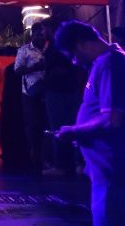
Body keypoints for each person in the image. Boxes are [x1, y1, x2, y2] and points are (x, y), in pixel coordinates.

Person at [53, 21, 125, 226]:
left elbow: (112, 119)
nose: (74, 62)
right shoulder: (110, 62)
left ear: (81, 43)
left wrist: (75, 131)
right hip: (113, 171)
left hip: (118, 171)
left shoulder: (111, 64)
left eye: (72, 54)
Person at [43, 22, 85, 176]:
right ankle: (78, 163)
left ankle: (61, 165)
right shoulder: (71, 47)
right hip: (72, 89)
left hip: (57, 90)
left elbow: (51, 67)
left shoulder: (55, 47)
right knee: (76, 124)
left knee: (58, 127)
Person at [14, 22, 48, 172]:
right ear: (32, 35)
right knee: (33, 125)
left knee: (46, 125)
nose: (42, 38)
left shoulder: (49, 49)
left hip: (48, 92)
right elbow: (17, 70)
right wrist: (35, 67)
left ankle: (46, 157)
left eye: (43, 35)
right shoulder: (24, 50)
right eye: (39, 35)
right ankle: (34, 156)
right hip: (30, 92)